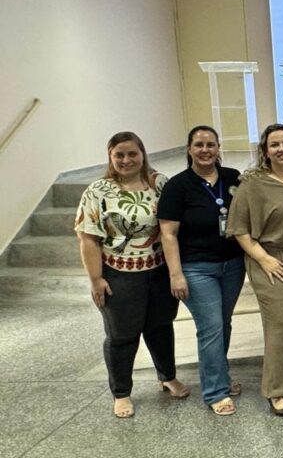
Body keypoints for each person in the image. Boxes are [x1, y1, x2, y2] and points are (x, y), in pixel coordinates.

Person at [75, 132, 188, 419]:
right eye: (119, 155)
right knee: (122, 336)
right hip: (119, 275)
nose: (126, 160)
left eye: (132, 154)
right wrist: (96, 279)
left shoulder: (159, 183)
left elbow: (171, 227)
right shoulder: (98, 191)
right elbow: (88, 240)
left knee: (161, 326)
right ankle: (122, 392)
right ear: (111, 157)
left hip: (159, 270)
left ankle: (167, 377)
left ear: (142, 154)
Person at [227, 124, 283, 417]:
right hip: (270, 259)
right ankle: (276, 392)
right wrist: (264, 259)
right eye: (274, 145)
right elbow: (239, 230)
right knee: (282, 324)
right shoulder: (253, 184)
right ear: (265, 151)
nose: (281, 149)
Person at [158, 126, 244, 416]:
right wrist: (176, 274)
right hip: (196, 268)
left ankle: (221, 374)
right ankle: (215, 391)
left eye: (210, 144)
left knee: (224, 323)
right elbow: (167, 233)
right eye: (199, 145)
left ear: (219, 147)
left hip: (232, 264)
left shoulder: (234, 178)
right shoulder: (178, 186)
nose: (205, 150)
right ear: (189, 149)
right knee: (211, 328)